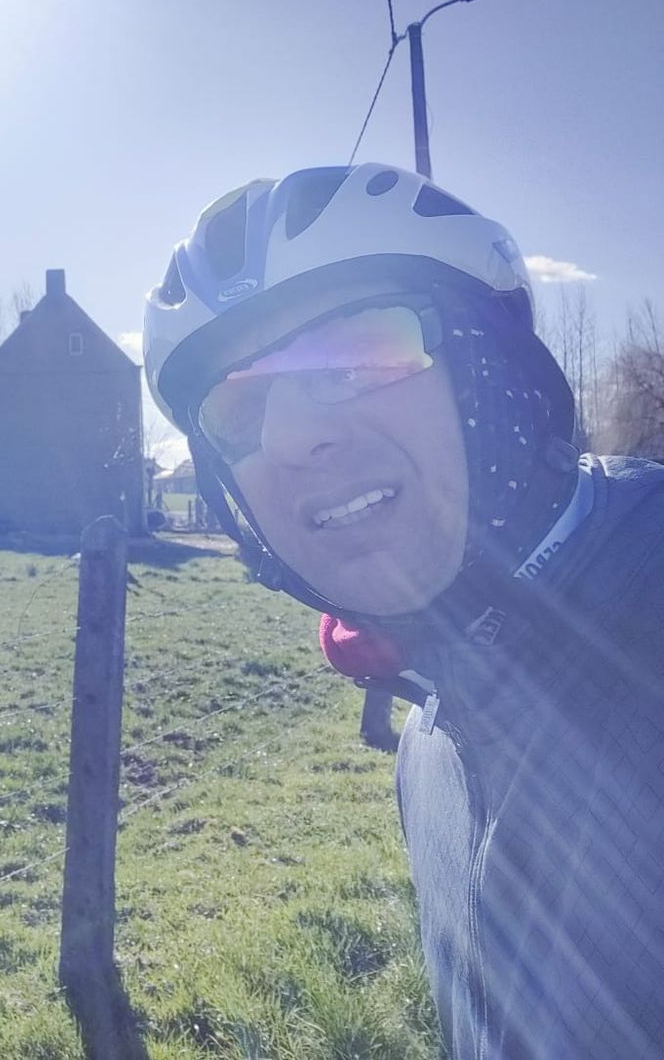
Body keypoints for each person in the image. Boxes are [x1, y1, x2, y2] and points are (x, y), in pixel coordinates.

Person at [141, 163, 664, 1059]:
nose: (291, 436)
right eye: (238, 408)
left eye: (356, 357)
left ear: (494, 366)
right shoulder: (428, 740)